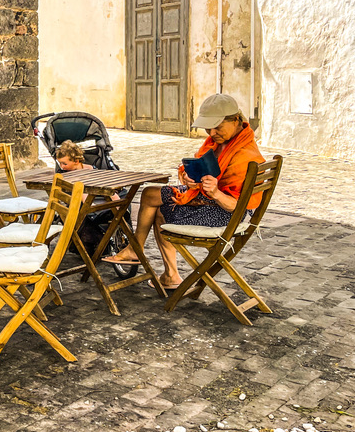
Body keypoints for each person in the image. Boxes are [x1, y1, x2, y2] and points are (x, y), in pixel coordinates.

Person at [103, 93, 265, 288]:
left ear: (236, 120)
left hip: (225, 214)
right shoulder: (221, 142)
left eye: (217, 127)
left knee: (159, 209)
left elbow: (237, 207)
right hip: (209, 197)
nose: (212, 133)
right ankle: (145, 256)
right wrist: (189, 177)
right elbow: (202, 164)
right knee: (150, 194)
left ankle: (158, 266)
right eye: (208, 128)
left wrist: (214, 193)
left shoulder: (244, 156)